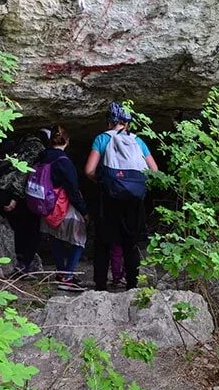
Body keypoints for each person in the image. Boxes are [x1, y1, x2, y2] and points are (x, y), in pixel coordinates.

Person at [84, 102, 158, 291]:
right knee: (130, 244)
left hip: (109, 198)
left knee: (103, 243)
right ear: (127, 123)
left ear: (109, 122)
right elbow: (154, 170)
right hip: (134, 201)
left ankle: (100, 286)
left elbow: (89, 170)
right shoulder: (138, 141)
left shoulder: (102, 139)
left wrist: (103, 181)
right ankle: (132, 285)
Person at [0, 131, 49, 275]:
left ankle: (7, 259)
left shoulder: (19, 144)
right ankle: (22, 262)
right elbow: (23, 173)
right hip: (12, 191)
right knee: (29, 228)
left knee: (7, 225)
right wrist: (15, 197)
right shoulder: (36, 148)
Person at [38, 125, 89, 292]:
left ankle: (61, 272)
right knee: (79, 238)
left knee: (56, 237)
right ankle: (67, 276)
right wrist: (84, 211)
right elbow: (72, 190)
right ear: (67, 141)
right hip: (62, 205)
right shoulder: (64, 162)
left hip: (45, 204)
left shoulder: (42, 157)